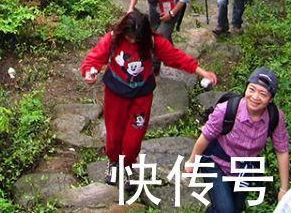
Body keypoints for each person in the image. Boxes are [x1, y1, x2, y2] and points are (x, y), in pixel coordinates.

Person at [82, 10, 218, 186]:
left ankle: (128, 164)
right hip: (115, 94)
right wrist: (89, 73)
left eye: (136, 39)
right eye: (129, 37)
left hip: (141, 97)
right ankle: (114, 163)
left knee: (134, 140)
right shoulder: (113, 39)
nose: (132, 41)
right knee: (114, 135)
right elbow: (94, 59)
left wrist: (201, 72)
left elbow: (176, 57)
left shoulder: (152, 42)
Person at [183, 67, 291, 212]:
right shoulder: (226, 109)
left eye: (263, 94)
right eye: (252, 89)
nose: (255, 97)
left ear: (270, 99)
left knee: (236, 209)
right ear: (246, 88)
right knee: (226, 210)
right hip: (216, 162)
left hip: (243, 169)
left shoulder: (275, 117)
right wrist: (192, 161)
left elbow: (282, 150)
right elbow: (206, 136)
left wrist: (284, 189)